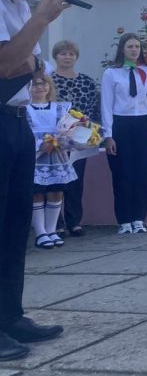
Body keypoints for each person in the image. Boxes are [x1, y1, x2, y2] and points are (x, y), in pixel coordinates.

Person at [0, 0, 70, 361]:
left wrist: (30, 37)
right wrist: (42, 19)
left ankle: (10, 316)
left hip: (17, 119)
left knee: (14, 226)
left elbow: (35, 66)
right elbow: (8, 64)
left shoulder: (19, 7)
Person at [102, 32, 147, 234]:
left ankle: (138, 218)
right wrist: (108, 135)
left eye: (137, 46)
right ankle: (124, 219)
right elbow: (106, 105)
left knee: (142, 173)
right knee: (122, 173)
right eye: (130, 46)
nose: (134, 50)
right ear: (122, 49)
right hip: (121, 125)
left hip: (143, 125)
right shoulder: (112, 73)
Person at [51, 39, 100, 237]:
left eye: (71, 54)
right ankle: (56, 223)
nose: (67, 57)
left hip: (79, 137)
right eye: (63, 53)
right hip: (54, 138)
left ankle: (74, 221)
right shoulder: (49, 80)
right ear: (56, 56)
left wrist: (86, 128)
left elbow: (93, 108)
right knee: (56, 181)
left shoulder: (86, 81)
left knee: (76, 179)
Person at [27, 73, 77, 249]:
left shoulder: (59, 108)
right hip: (36, 156)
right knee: (37, 192)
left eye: (43, 84)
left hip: (57, 154)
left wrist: (65, 139)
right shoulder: (25, 109)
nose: (39, 87)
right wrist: (40, 145)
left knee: (56, 190)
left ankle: (51, 230)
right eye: (35, 85)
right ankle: (40, 232)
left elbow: (67, 129)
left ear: (49, 87)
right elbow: (25, 131)